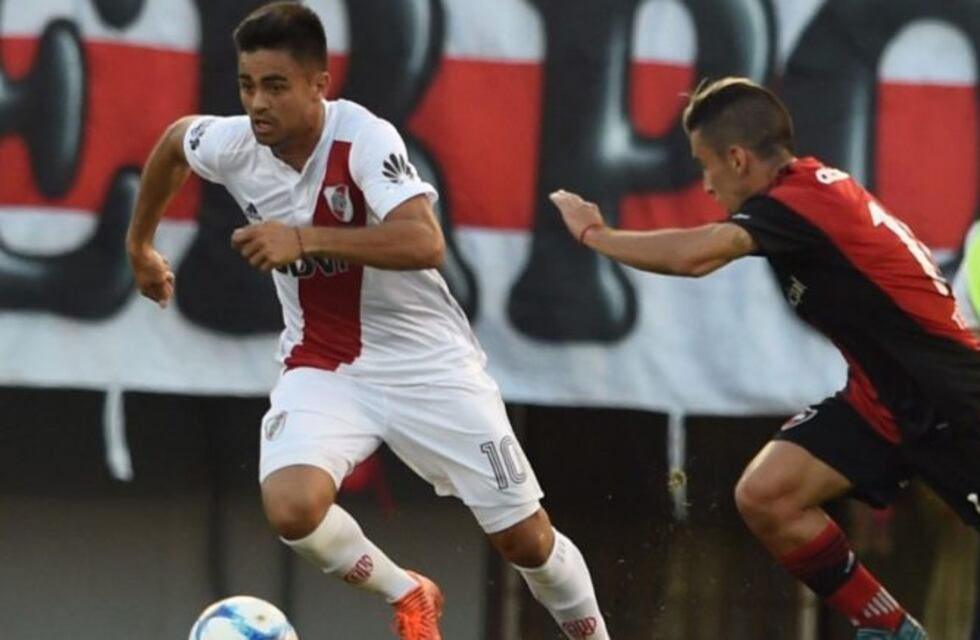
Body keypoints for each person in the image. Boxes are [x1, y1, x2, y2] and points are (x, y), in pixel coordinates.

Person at [126, 3, 609, 639]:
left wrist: (302, 240)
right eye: (247, 86)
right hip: (323, 362)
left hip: (428, 366)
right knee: (292, 508)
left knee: (526, 542)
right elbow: (172, 144)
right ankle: (408, 593)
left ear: (319, 85)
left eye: (276, 86)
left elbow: (423, 241)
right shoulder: (235, 144)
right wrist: (140, 246)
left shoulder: (362, 138)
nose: (257, 104)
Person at [552, 76, 980, 640]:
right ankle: (893, 630)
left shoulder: (800, 203)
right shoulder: (810, 195)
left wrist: (596, 236)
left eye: (704, 166)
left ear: (736, 158)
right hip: (883, 401)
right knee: (769, 495)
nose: (705, 185)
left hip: (957, 408)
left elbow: (696, 256)